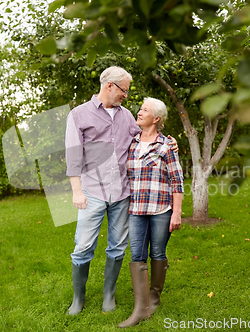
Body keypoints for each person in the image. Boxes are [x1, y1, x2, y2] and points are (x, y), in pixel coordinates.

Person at [64, 67, 177, 316]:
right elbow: (73, 156)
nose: (126, 95)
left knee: (117, 247)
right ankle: (78, 299)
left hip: (123, 194)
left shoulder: (127, 116)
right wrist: (77, 191)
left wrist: (169, 141)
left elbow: (147, 137)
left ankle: (108, 296)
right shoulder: (78, 115)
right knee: (83, 247)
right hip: (92, 192)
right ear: (111, 86)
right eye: (124, 90)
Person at [118, 97, 184, 328]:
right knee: (136, 254)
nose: (139, 112)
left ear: (156, 118)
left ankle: (153, 298)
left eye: (144, 110)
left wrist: (177, 213)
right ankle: (140, 308)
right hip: (136, 209)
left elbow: (177, 181)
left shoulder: (166, 145)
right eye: (140, 109)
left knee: (157, 251)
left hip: (161, 209)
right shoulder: (131, 142)